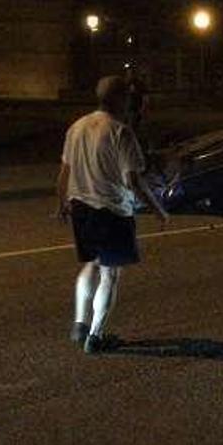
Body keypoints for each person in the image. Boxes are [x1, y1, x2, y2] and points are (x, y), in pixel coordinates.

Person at [56, 75, 169, 354]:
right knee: (110, 275)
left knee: (91, 264)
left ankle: (80, 323)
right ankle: (95, 336)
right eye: (129, 97)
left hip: (80, 209)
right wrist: (158, 209)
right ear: (121, 99)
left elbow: (63, 174)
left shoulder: (77, 127)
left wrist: (61, 204)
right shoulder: (121, 132)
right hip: (111, 211)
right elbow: (133, 180)